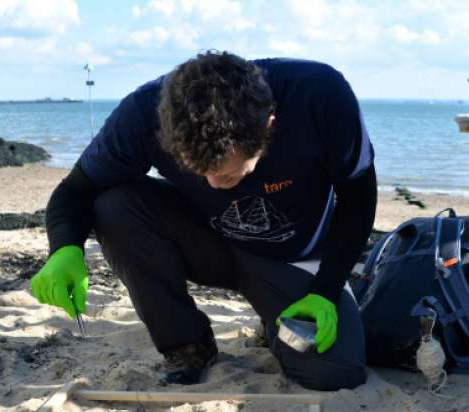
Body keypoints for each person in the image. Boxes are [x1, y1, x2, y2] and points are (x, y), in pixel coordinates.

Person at [29, 51, 376, 391]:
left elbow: (357, 197)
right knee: (113, 205)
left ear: (269, 126)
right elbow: (75, 190)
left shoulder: (320, 95)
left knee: (334, 371)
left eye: (226, 175)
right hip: (207, 241)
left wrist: (326, 290)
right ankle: (188, 345)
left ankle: (274, 318)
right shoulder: (142, 114)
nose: (212, 184)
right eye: (197, 171)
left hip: (294, 257)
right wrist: (64, 249)